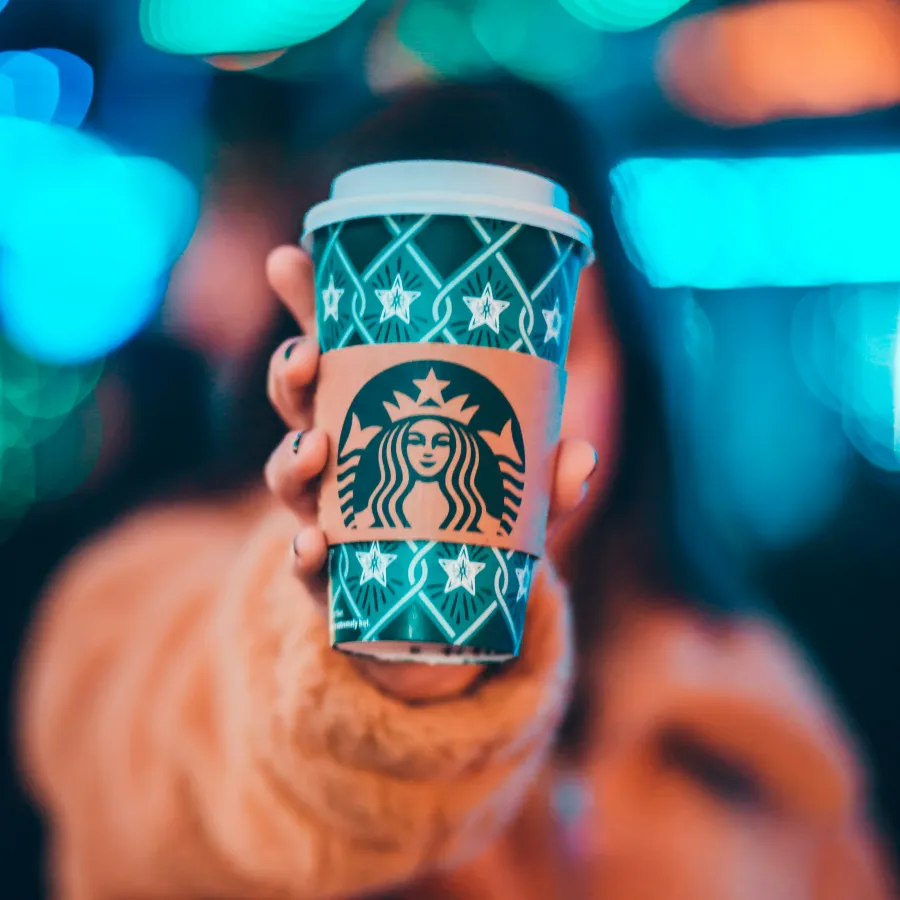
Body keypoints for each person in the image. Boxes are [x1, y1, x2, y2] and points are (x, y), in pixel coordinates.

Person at [15, 77, 898, 900]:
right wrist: (373, 677)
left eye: (558, 347)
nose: (467, 416)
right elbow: (183, 767)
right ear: (313, 360)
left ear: (635, 367)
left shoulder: (747, 710)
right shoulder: (145, 601)